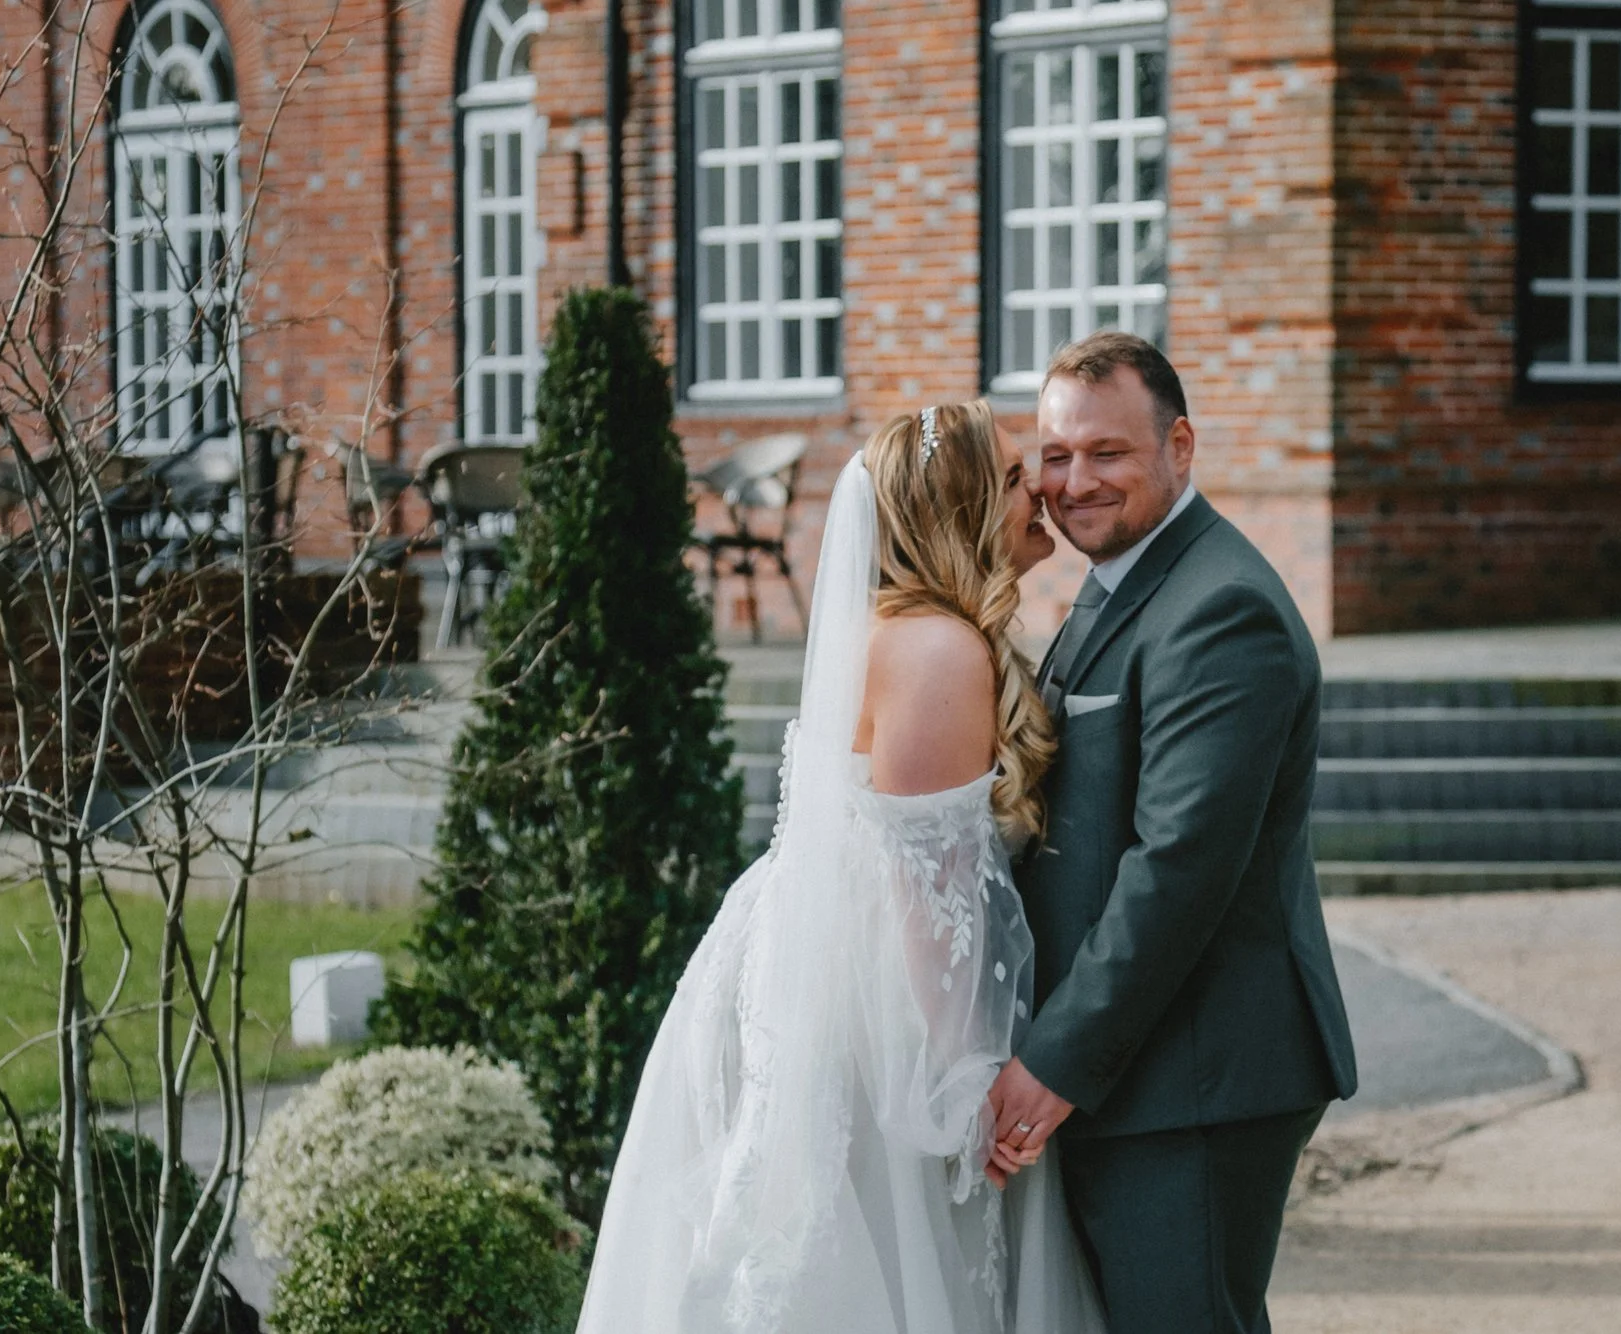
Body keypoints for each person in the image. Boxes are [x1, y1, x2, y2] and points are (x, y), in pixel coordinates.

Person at [574, 401, 1106, 1333]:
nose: (1045, 492)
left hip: (826, 968)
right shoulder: (937, 650)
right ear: (966, 505)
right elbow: (922, 892)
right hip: (874, 1018)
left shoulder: (918, 631)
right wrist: (960, 1085)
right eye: (1020, 475)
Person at [983, 331, 1359, 1333]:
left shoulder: (1217, 607)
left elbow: (1177, 867)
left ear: (1179, 446)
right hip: (1148, 1066)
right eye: (1055, 457)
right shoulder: (1123, 584)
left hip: (1194, 1072)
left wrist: (1054, 1060)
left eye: (1106, 452)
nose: (1073, 482)